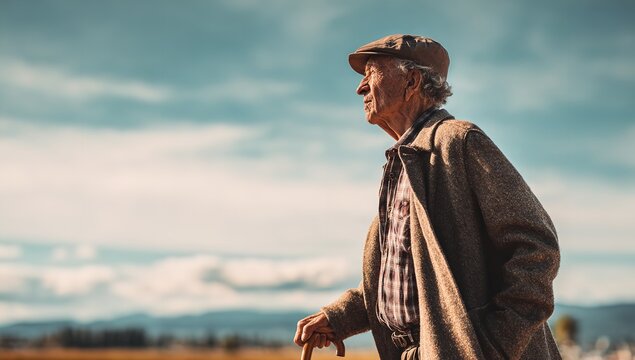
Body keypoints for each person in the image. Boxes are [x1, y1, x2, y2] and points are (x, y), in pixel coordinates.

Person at [293, 34, 561, 360]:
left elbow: (537, 248)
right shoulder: (405, 163)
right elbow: (404, 279)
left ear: (412, 81)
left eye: (372, 74)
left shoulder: (459, 142)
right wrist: (338, 317)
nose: (360, 88)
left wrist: (494, 346)